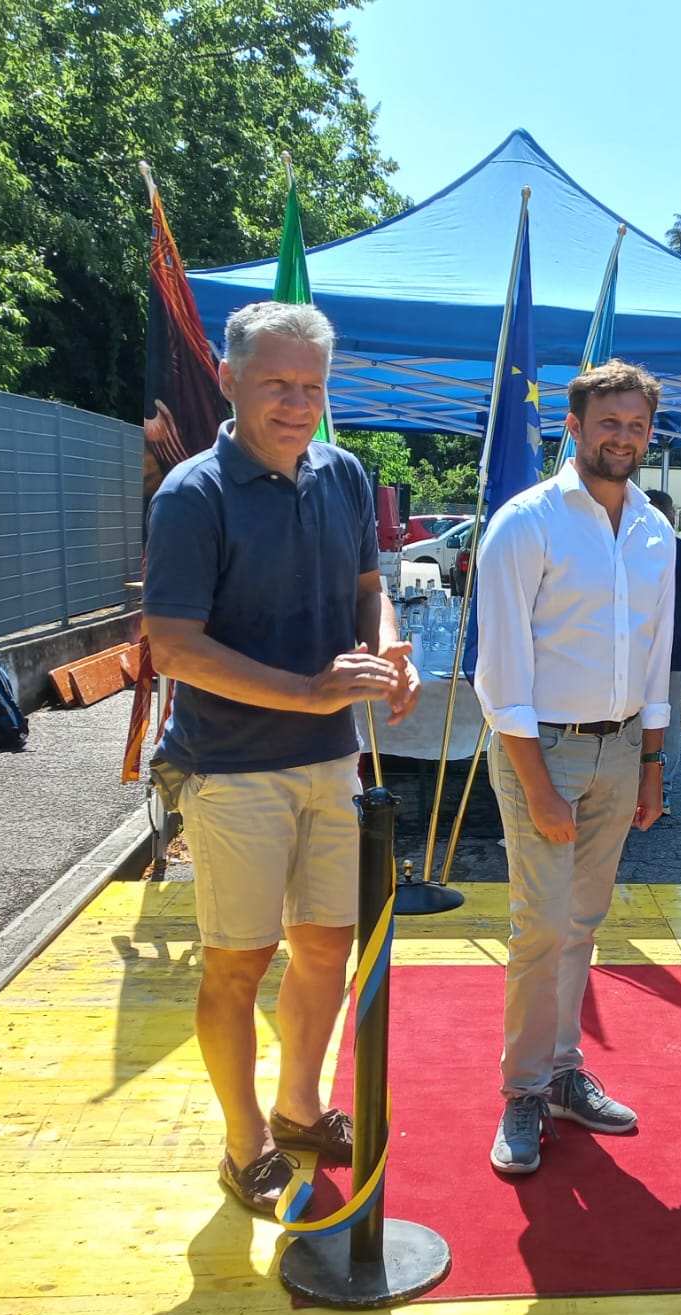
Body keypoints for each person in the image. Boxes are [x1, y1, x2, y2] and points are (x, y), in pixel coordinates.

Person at [143, 301, 420, 1219]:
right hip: (230, 767)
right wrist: (306, 691)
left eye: (312, 386)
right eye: (277, 385)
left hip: (329, 761)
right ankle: (243, 1144)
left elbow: (369, 592)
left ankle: (299, 1110)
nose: (298, 404)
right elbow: (174, 648)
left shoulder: (342, 476)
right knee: (238, 963)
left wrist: (390, 651)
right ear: (229, 380)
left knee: (327, 948)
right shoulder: (193, 494)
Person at [473, 359, 677, 1175]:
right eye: (610, 424)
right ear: (575, 427)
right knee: (541, 926)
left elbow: (658, 655)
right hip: (543, 752)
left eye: (636, 427)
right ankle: (523, 1089)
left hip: (622, 750)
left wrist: (654, 764)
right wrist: (537, 784)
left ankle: (562, 1072)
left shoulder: (656, 530)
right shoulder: (525, 524)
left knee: (584, 924)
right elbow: (501, 675)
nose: (623, 438)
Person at [644, 487, 681, 819]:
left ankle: (659, 788)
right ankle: (655, 789)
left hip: (664, 658)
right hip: (651, 658)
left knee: (661, 726)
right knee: (664, 726)